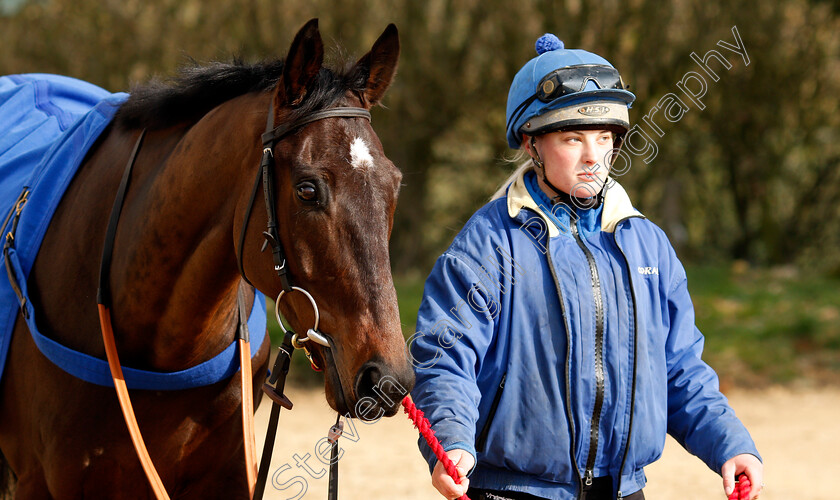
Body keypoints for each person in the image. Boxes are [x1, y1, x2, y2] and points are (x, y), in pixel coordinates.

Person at [408, 33, 763, 500]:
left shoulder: (648, 247)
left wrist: (731, 445)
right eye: (572, 138)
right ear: (531, 143)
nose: (593, 156)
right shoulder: (487, 244)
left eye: (604, 138)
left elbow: (679, 368)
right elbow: (445, 358)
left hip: (622, 490)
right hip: (511, 489)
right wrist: (452, 442)